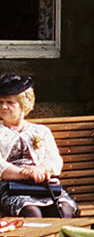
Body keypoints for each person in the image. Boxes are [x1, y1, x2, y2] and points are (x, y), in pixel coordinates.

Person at [0, 74, 78, 219]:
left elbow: (55, 160)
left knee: (62, 209)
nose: (4, 106)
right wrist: (25, 174)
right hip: (10, 187)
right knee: (32, 211)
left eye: (10, 102)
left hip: (42, 186)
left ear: (24, 104)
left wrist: (42, 169)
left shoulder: (41, 131)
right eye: (1, 102)